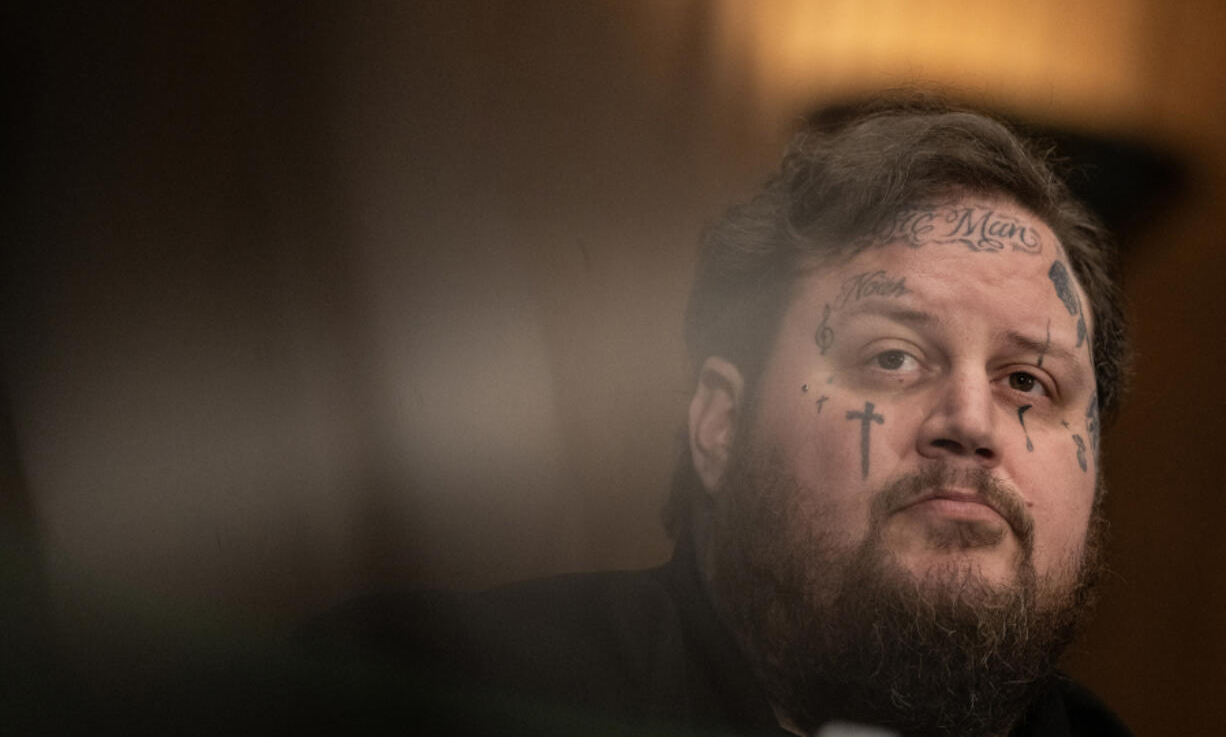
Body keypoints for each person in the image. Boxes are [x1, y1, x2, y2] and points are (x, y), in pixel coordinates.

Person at [306, 95, 1133, 736]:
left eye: (1028, 381)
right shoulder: (423, 694)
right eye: (892, 358)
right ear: (718, 424)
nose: (971, 420)